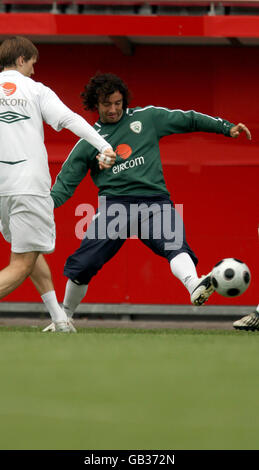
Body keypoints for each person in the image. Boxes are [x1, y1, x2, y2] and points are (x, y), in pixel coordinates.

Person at [31, 72, 251, 332]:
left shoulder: (147, 118)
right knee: (84, 264)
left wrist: (226, 127)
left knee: (175, 245)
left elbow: (188, 119)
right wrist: (37, 207)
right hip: (115, 207)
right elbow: (64, 186)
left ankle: (195, 285)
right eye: (106, 104)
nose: (113, 109)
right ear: (94, 105)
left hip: (154, 202)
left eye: (117, 103)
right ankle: (64, 318)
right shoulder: (89, 140)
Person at [0, 38, 116, 332]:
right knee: (23, 263)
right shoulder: (36, 90)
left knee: (26, 251)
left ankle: (60, 320)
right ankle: (61, 319)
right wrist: (104, 145)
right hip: (28, 185)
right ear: (23, 59)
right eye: (33, 64)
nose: (34, 72)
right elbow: (68, 119)